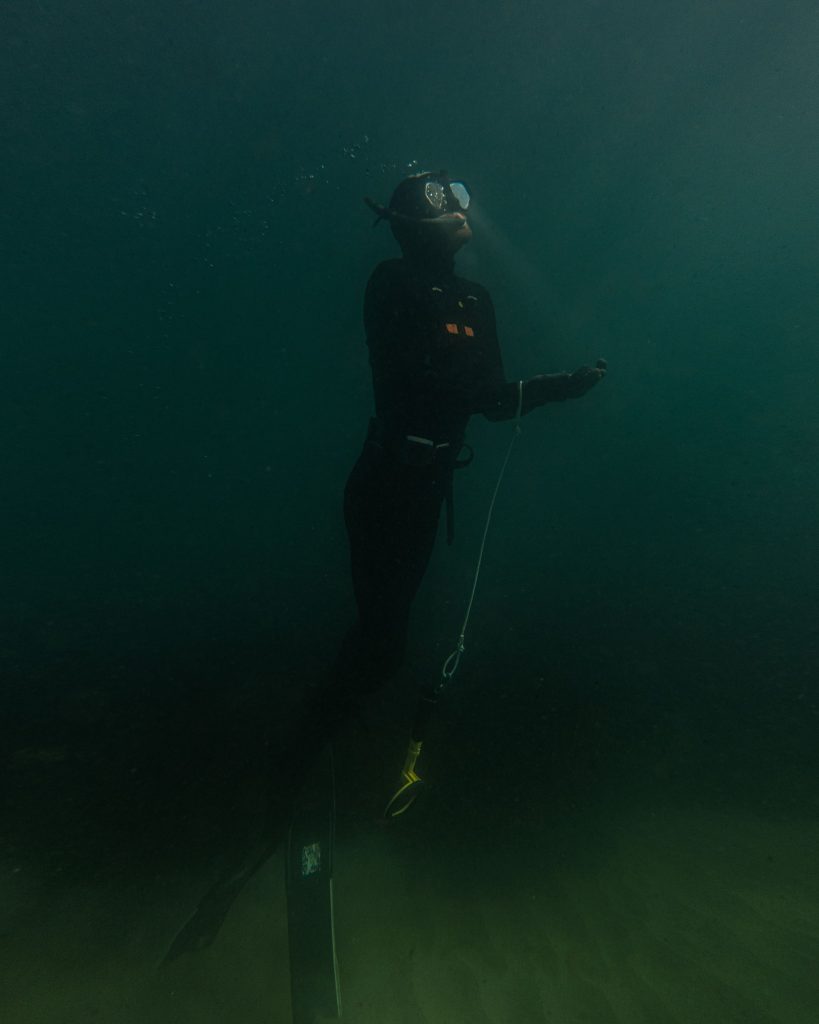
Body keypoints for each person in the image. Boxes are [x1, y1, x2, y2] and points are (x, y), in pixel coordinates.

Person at [335, 169, 606, 703]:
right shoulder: (391, 280)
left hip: (428, 488)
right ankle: (302, 757)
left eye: (460, 198)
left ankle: (319, 744)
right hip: (384, 481)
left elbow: (493, 403)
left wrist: (558, 389)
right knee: (381, 637)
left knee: (387, 641)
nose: (461, 208)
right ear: (411, 221)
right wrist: (517, 391)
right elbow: (424, 379)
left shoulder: (476, 299)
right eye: (440, 202)